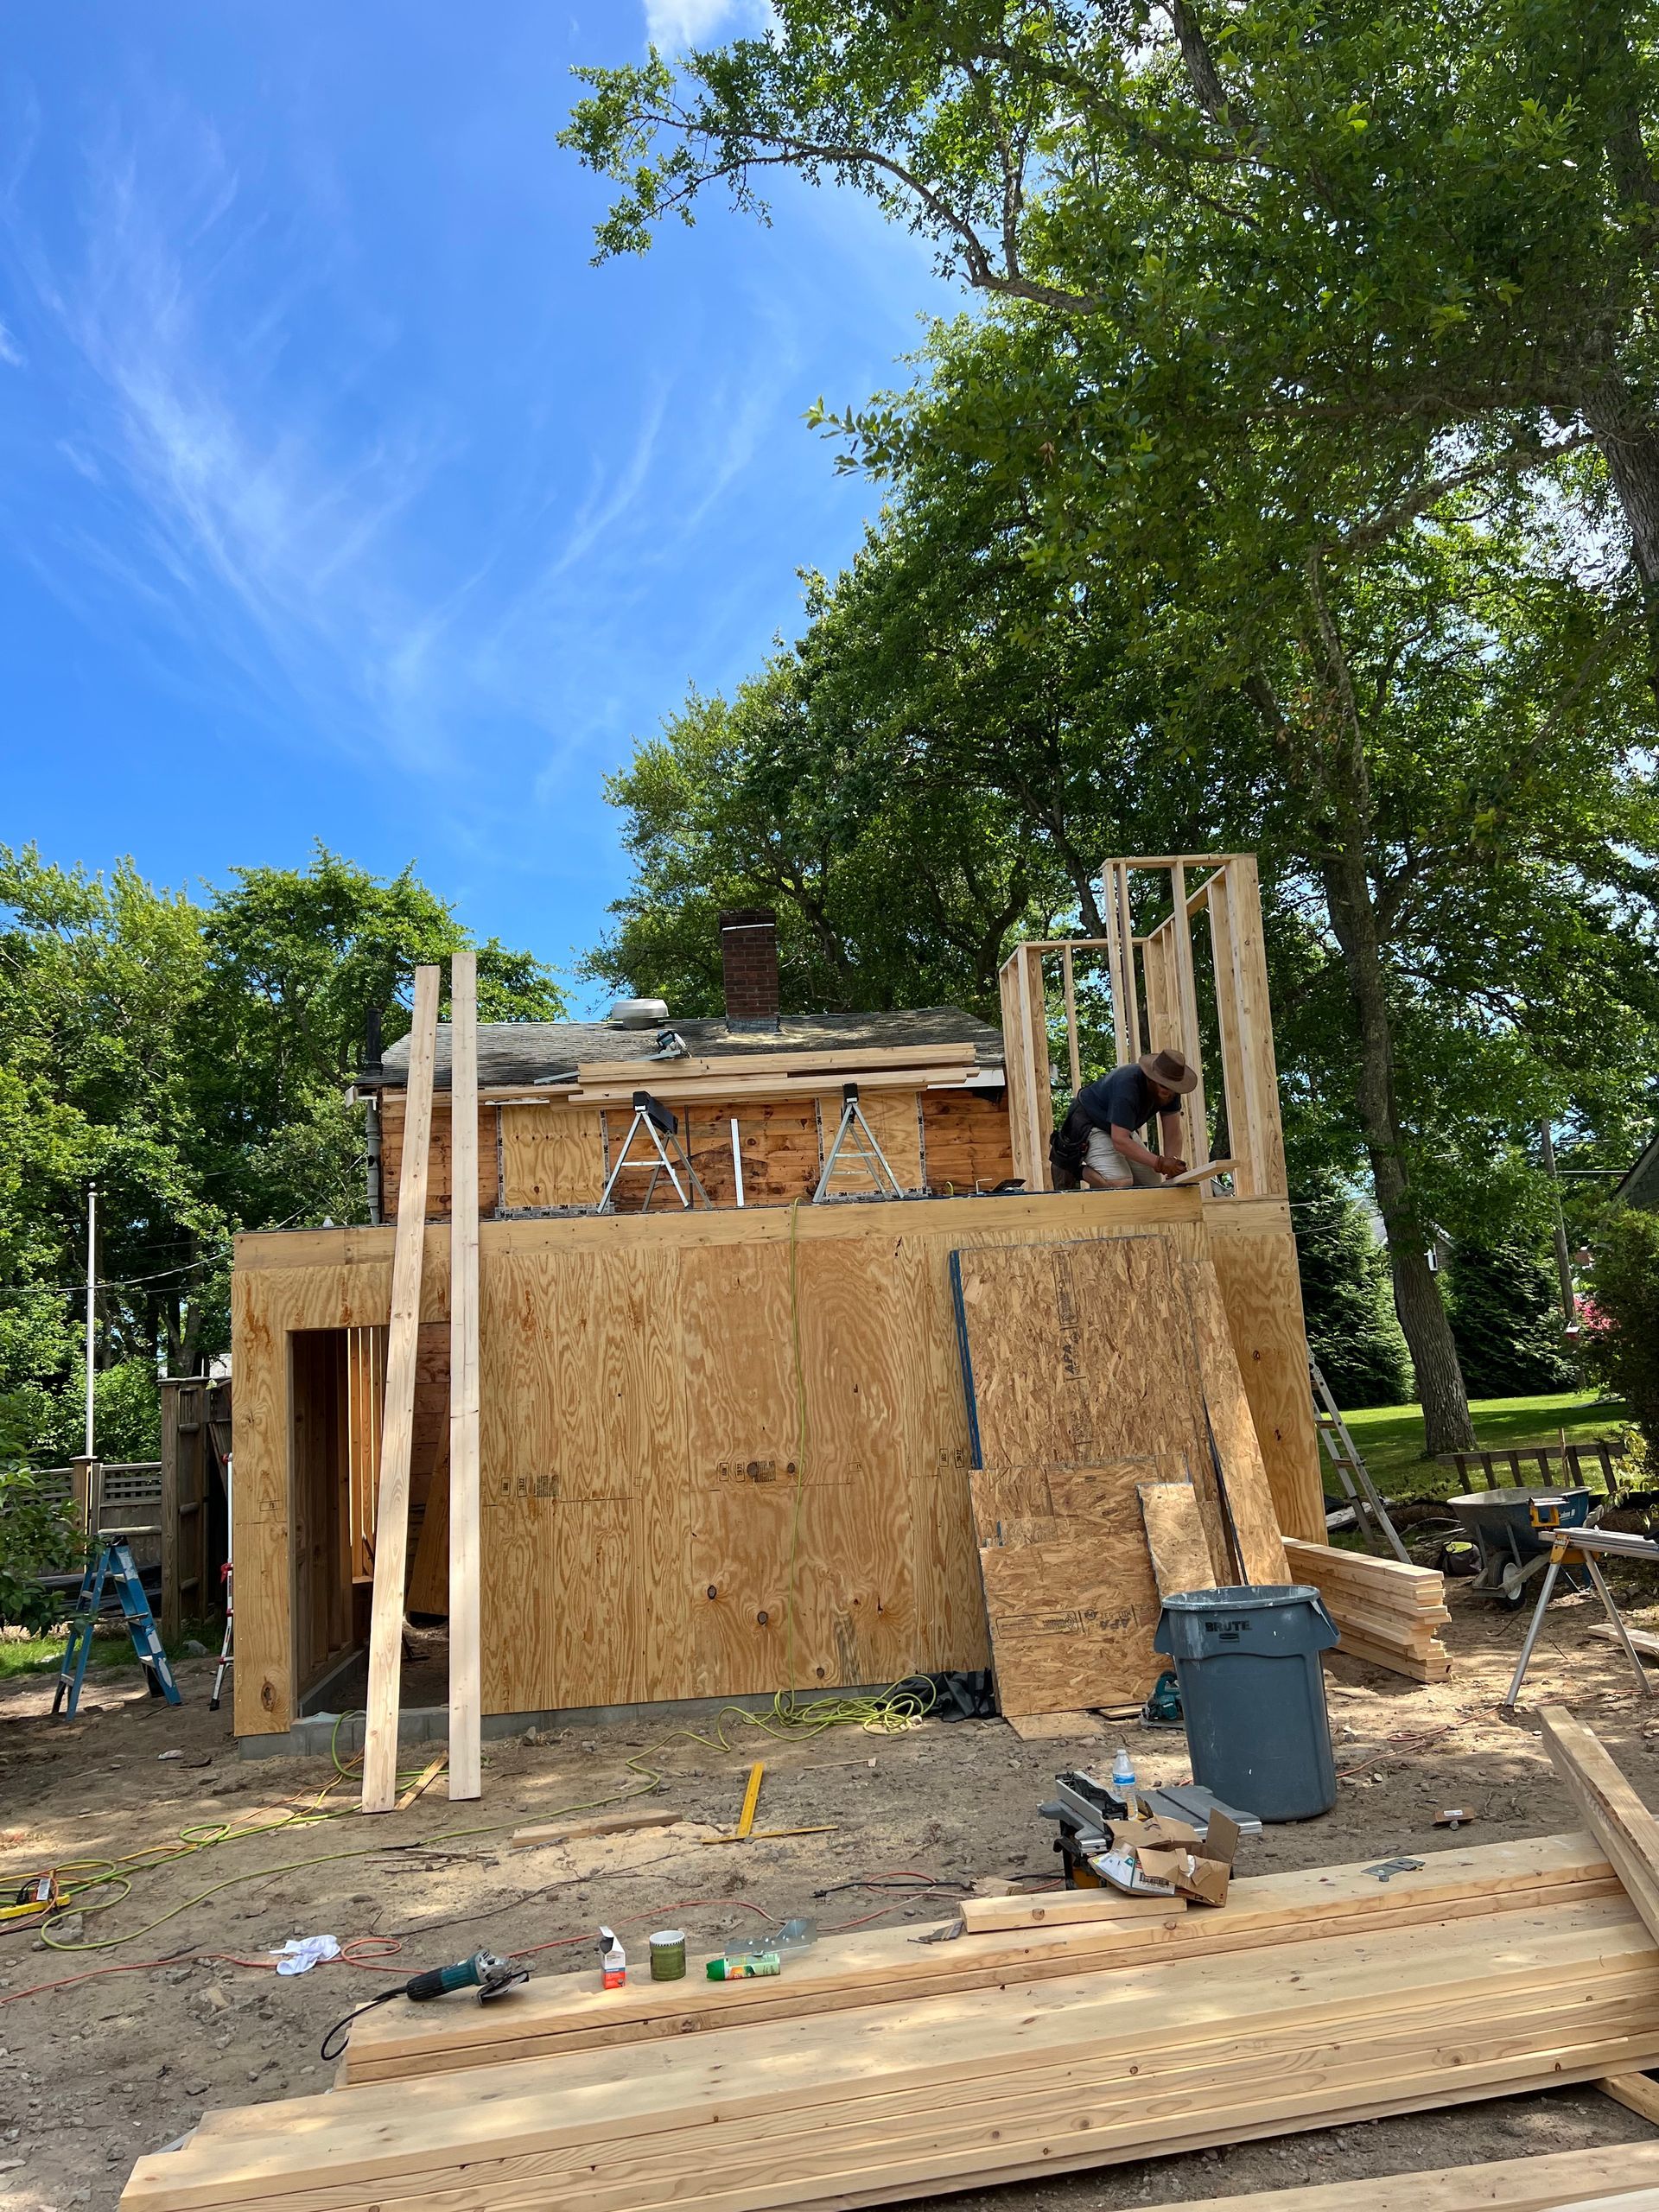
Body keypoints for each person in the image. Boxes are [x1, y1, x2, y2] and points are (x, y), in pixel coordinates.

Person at [1059, 1048, 1198, 1191]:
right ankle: (1074, 1172)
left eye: (1170, 1087)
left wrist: (1172, 1166)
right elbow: (1120, 1140)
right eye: (1162, 1084)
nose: (1166, 1091)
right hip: (1089, 1123)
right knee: (1120, 1183)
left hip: (1118, 1127)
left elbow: (1173, 1133)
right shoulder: (1127, 1086)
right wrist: (1159, 1163)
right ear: (1151, 1077)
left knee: (1152, 1184)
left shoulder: (1172, 1091)